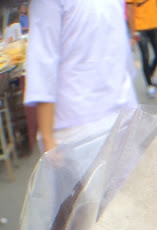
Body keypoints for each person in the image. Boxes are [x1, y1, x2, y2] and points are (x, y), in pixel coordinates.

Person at [24, 0, 138, 153]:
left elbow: (43, 62)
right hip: (122, 109)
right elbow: (122, 50)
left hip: (78, 124)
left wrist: (47, 136)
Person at [126, 0, 157, 97]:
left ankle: (150, 73)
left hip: (154, 25)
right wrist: (132, 30)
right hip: (140, 27)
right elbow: (129, 10)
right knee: (145, 56)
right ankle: (149, 84)